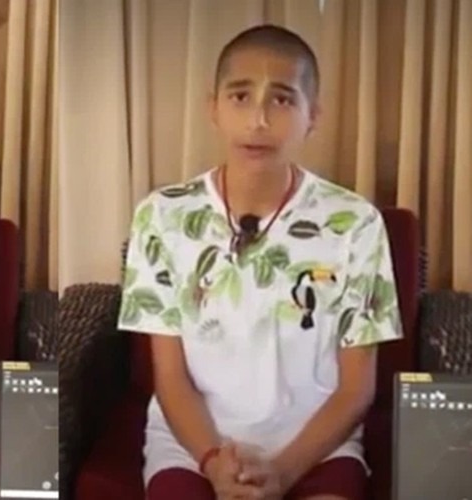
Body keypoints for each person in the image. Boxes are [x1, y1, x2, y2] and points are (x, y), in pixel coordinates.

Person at [119, 24, 402, 500]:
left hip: (317, 447)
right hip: (193, 445)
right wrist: (213, 461)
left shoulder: (356, 223)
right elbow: (170, 376)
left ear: (313, 116)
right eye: (240, 96)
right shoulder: (162, 216)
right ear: (213, 107)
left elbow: (356, 388)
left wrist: (285, 471)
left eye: (283, 100)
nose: (258, 120)